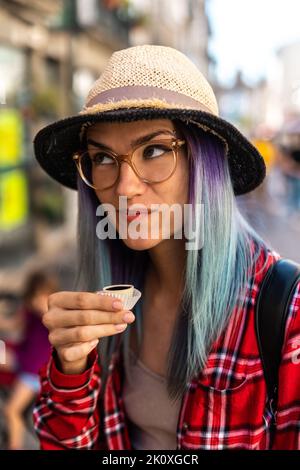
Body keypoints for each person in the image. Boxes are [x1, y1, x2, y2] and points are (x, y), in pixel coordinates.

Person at [32, 45, 300, 450]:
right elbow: (65, 441)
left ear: (204, 162)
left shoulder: (286, 311)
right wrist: (71, 368)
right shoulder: (109, 298)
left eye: (154, 151)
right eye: (102, 157)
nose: (124, 187)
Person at [3, 270, 58, 449]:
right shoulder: (29, 311)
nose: (38, 302)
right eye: (35, 297)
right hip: (22, 357)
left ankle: (14, 446)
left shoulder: (55, 315)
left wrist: (47, 309)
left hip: (34, 373)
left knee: (11, 410)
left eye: (42, 297)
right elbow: (13, 324)